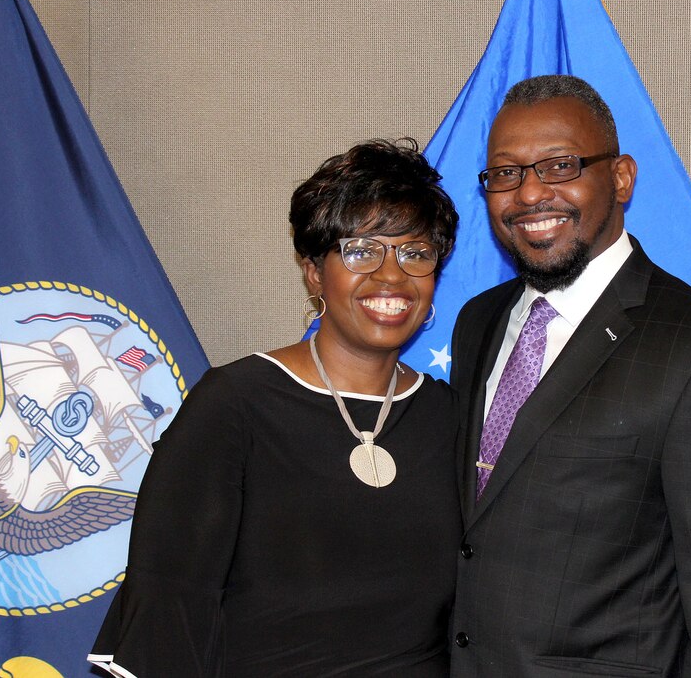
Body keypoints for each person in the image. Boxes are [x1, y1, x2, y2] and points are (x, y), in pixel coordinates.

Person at [448, 75, 691, 677]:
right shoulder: (479, 323)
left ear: (622, 177)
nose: (529, 194)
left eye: (559, 166)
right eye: (506, 173)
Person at [89, 138, 461, 677]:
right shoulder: (234, 405)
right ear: (314, 272)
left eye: (415, 252)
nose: (391, 276)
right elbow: (170, 603)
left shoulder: (449, 416)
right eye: (361, 250)